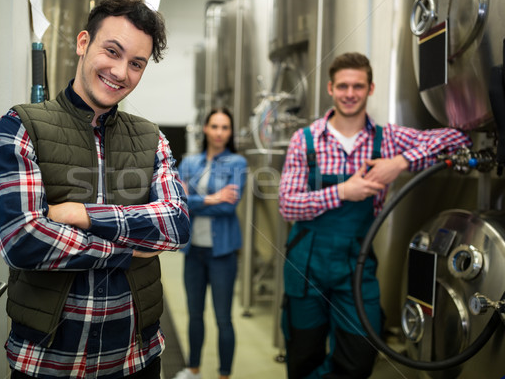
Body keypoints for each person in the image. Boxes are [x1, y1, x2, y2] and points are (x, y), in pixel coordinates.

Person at [0, 0, 191, 379]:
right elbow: (22, 240)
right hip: (48, 361)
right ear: (84, 43)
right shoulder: (22, 126)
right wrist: (125, 253)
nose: (120, 72)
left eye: (136, 64)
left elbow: (175, 224)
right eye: (111, 51)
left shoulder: (152, 138)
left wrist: (82, 215)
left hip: (136, 357)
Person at [278, 52, 471, 379]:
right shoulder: (305, 140)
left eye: (357, 85)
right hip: (306, 262)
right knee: (303, 354)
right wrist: (342, 192)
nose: (349, 93)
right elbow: (288, 204)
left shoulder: (390, 139)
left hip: (357, 261)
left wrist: (401, 162)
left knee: (359, 358)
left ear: (370, 88)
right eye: (342, 86)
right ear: (330, 88)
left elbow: (458, 140)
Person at [173, 108, 247, 379]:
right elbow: (178, 203)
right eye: (214, 126)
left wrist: (197, 203)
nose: (219, 132)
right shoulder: (190, 162)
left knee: (223, 318)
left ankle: (224, 374)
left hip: (222, 253)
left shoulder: (237, 163)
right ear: (205, 129)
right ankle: (193, 369)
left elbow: (229, 208)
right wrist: (214, 198)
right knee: (194, 315)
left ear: (230, 132)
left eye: (225, 127)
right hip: (194, 252)